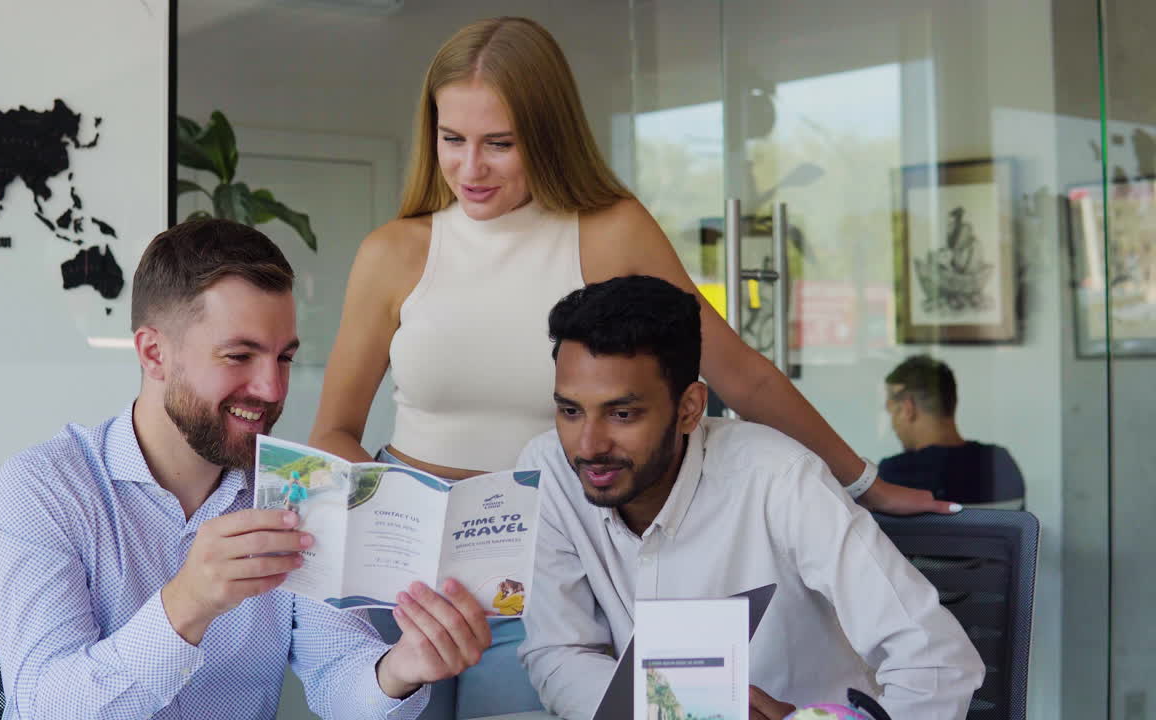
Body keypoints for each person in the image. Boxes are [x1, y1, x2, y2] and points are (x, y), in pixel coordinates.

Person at [308, 15, 956, 717]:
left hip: (541, 569)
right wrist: (398, 520)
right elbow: (333, 430)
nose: (470, 168)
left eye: (499, 144)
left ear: (547, 135)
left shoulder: (610, 231)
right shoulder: (393, 252)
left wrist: (862, 480)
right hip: (405, 571)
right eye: (452, 140)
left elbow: (740, 373)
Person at [0, 219, 490, 720]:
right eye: (240, 355)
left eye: (284, 358)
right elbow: (46, 705)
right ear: (154, 353)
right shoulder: (43, 489)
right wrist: (189, 602)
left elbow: (338, 670)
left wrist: (398, 670)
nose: (271, 389)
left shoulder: (296, 490)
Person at [517, 276, 985, 720]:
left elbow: (938, 661)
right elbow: (559, 653)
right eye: (570, 411)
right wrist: (681, 705)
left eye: (622, 413)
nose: (589, 445)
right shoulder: (549, 472)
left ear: (689, 409)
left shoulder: (779, 478)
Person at [880, 354, 1026, 507]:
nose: (892, 425)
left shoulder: (893, 475)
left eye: (891, 410)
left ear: (907, 408)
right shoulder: (1000, 464)